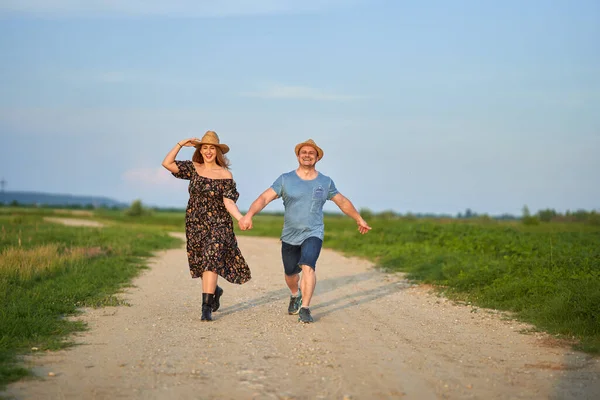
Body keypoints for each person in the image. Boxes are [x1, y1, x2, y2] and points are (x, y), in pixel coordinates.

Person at [238, 139, 371, 323]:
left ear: (317, 158)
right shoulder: (285, 179)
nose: (307, 155)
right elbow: (264, 198)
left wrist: (359, 218)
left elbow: (342, 201)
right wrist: (249, 215)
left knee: (308, 266)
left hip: (313, 232)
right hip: (290, 234)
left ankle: (306, 308)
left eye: (311, 153)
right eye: (304, 152)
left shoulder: (325, 181)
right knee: (291, 274)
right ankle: (295, 294)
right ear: (298, 156)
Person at [162, 130, 251, 322]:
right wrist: (180, 143)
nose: (208, 151)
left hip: (219, 224)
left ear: (218, 152)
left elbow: (229, 202)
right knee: (203, 262)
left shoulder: (225, 174)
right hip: (195, 223)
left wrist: (240, 218)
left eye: (212, 148)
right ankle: (214, 291)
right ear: (200, 151)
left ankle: (205, 308)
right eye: (205, 148)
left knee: (211, 259)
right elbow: (167, 164)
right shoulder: (193, 168)